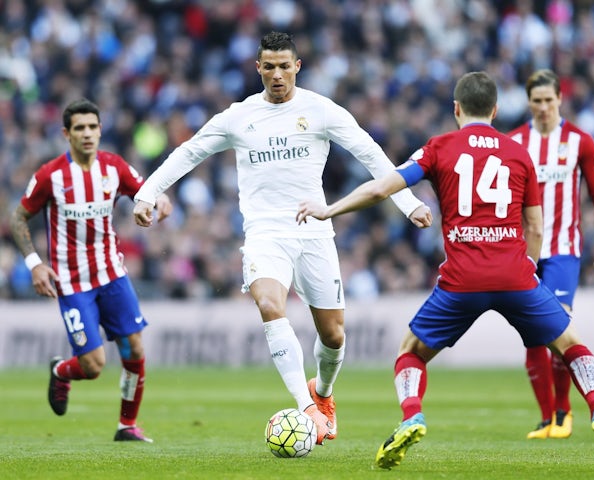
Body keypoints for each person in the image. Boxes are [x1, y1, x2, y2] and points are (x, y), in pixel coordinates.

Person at [296, 71, 594, 470]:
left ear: (456, 109)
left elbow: (380, 188)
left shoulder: (440, 147)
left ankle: (412, 417)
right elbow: (536, 226)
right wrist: (527, 267)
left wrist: (329, 209)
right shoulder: (518, 151)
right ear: (495, 109)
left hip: (462, 280)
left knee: (410, 353)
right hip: (515, 275)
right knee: (573, 347)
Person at [132, 31, 431, 445]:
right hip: (265, 232)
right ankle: (305, 408)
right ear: (258, 68)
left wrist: (408, 202)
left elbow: (370, 153)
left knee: (333, 336)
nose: (276, 75)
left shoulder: (321, 110)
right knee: (270, 304)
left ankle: (322, 395)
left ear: (297, 67)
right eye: (268, 67)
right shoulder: (238, 116)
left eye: (283, 66)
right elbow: (189, 152)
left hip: (314, 229)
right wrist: (147, 192)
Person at [10, 98, 173, 442]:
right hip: (72, 283)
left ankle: (126, 425)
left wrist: (157, 202)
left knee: (135, 349)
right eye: (79, 128)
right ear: (66, 134)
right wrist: (35, 263)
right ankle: (61, 370)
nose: (87, 134)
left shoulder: (113, 167)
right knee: (93, 366)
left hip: (112, 275)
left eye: (93, 127)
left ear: (100, 130)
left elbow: (146, 192)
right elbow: (18, 217)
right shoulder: (50, 176)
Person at [507, 69, 594, 440]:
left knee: (557, 326)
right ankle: (546, 419)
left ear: (560, 100)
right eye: (536, 101)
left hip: (563, 251)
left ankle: (563, 412)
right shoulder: (515, 142)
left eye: (548, 100)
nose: (542, 107)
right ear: (528, 103)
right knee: (532, 335)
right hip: (524, 250)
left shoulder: (579, 141)